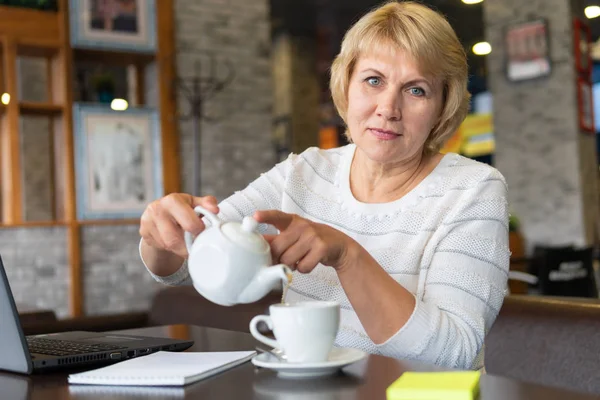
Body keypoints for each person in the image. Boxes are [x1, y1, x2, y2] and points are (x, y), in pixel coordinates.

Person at [139, 1, 509, 370]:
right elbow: (188, 263)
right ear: (346, 85)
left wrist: (347, 256)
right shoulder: (304, 172)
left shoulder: (473, 190)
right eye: (374, 80)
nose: (388, 107)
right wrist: (162, 234)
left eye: (416, 90)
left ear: (443, 105)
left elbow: (454, 351)